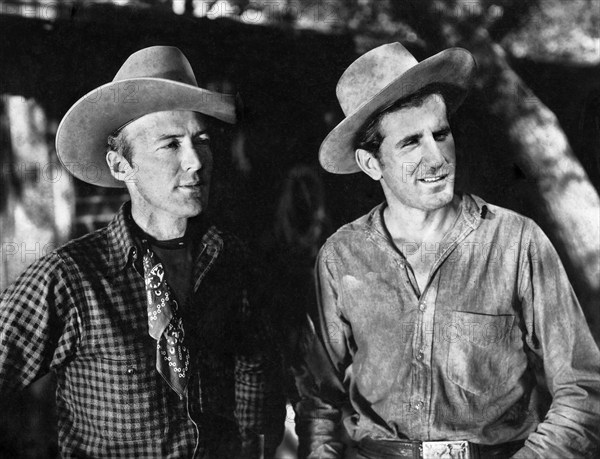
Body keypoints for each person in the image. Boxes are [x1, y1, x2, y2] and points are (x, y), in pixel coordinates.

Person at [296, 42, 600, 458]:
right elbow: (318, 398)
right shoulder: (341, 257)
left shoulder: (516, 243)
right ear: (371, 164)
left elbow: (583, 389)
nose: (437, 157)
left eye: (440, 134)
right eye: (411, 143)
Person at [0, 46, 285, 458]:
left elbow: (257, 392)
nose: (196, 161)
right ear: (120, 166)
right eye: (170, 144)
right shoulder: (71, 277)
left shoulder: (234, 261)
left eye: (201, 140)